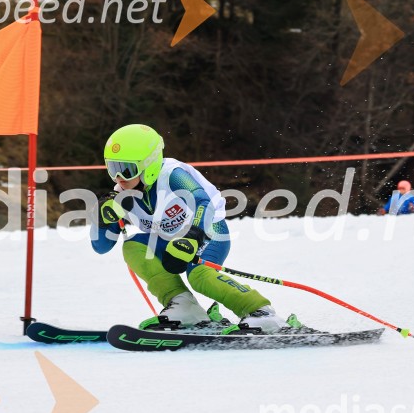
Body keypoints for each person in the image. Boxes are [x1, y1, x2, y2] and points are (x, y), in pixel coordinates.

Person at [90, 124, 288, 333]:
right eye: (113, 169)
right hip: (168, 241)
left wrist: (193, 236)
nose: (119, 178)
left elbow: (204, 203)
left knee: (199, 276)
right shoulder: (121, 195)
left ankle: (260, 311)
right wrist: (101, 220)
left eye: (127, 169)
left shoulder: (172, 175)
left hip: (208, 231)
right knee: (132, 247)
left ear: (149, 164)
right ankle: (184, 306)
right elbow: (101, 247)